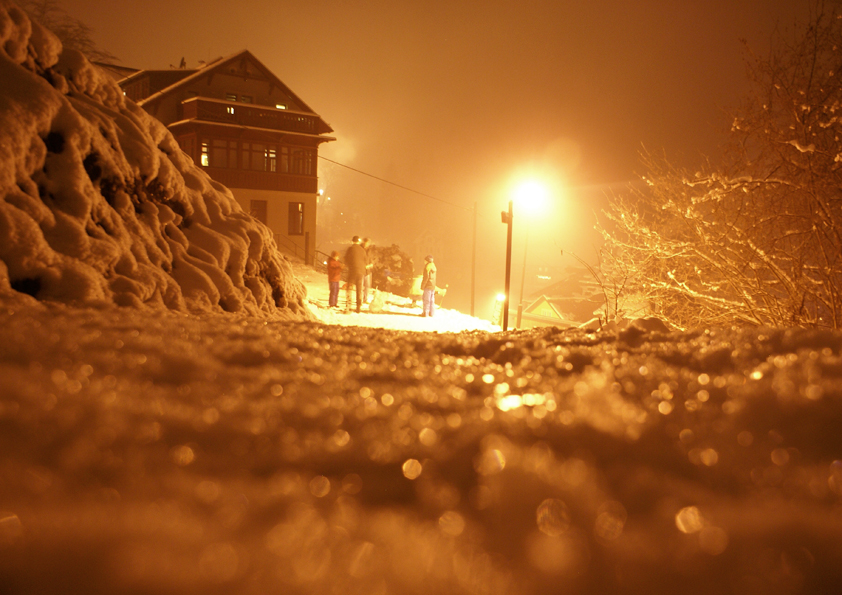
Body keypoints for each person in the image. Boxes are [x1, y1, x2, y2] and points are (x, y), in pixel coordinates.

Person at [344, 235, 367, 313]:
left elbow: (346, 259)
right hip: (361, 272)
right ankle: (358, 307)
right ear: (358, 241)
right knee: (359, 290)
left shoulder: (350, 249)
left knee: (349, 288)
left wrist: (349, 265)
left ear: (352, 241)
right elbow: (366, 261)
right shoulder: (363, 250)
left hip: (353, 271)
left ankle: (348, 306)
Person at [361, 238, 373, 303]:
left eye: (368, 243)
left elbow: (371, 258)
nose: (367, 244)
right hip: (362, 270)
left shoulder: (369, 250)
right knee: (360, 286)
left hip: (368, 271)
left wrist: (371, 264)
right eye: (366, 243)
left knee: (367, 286)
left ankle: (365, 299)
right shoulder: (360, 249)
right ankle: (360, 299)